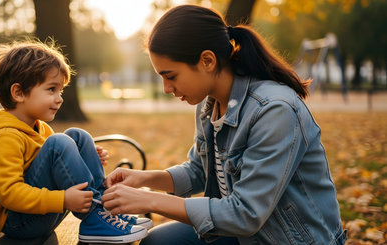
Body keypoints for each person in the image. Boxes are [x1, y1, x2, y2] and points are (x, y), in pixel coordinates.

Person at [101, 5, 347, 244]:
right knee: (157, 241)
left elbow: (246, 214)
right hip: (243, 234)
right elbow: (199, 171)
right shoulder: (209, 105)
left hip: (287, 238)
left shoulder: (274, 110)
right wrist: (143, 179)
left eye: (171, 76)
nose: (167, 88)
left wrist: (148, 200)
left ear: (207, 61)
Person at [0, 40, 151, 243]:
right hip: (18, 221)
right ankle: (94, 219)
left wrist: (83, 156)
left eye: (61, 91)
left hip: (41, 212)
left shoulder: (37, 127)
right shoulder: (1, 137)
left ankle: (104, 209)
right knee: (59, 142)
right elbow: (10, 194)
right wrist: (63, 199)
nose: (60, 98)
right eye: (51, 89)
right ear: (18, 93)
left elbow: (50, 165)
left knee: (77, 136)